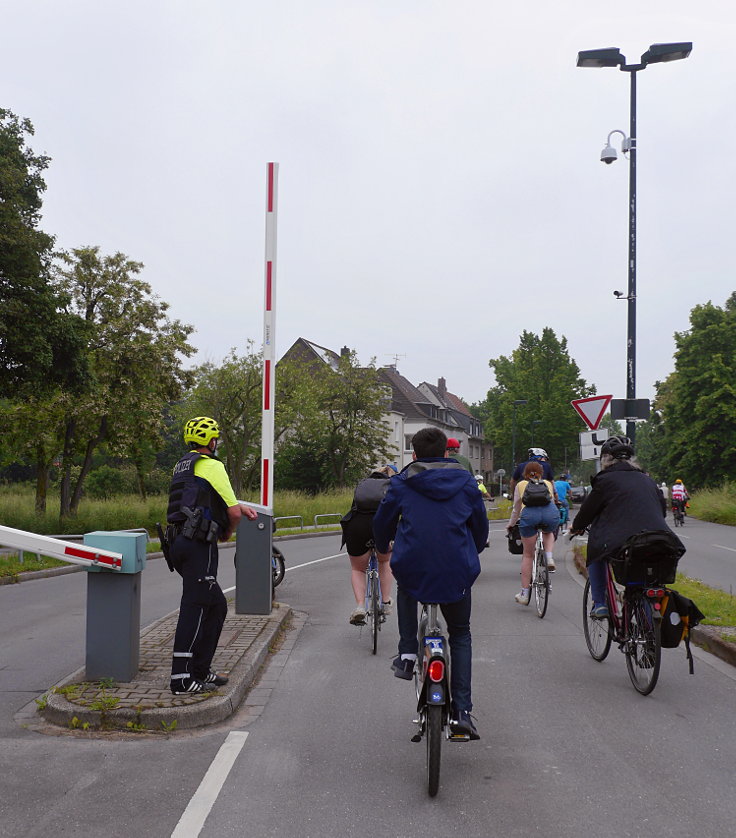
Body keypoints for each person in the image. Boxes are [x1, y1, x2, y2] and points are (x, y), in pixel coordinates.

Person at [373, 427, 488, 740]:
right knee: (460, 633)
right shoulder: (466, 482)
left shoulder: (401, 482)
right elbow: (480, 526)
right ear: (447, 453)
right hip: (456, 569)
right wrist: (472, 550)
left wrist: (383, 546)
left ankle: (408, 653)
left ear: (414, 454)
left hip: (414, 566)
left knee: (407, 583)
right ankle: (462, 711)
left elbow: (382, 522)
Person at [165, 416, 258, 695]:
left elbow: (198, 499)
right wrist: (228, 531)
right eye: (216, 439)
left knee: (216, 605)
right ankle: (181, 679)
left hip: (178, 542)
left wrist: (238, 507)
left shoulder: (182, 465)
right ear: (212, 441)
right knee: (194, 608)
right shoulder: (212, 465)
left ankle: (201, 670)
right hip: (198, 545)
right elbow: (230, 511)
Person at [570, 436, 677, 618]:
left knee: (596, 555)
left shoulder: (604, 480)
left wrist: (576, 528)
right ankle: (650, 626)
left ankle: (600, 603)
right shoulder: (647, 480)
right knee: (643, 573)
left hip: (620, 541)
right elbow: (662, 510)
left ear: (605, 459)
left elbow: (587, 512)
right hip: (659, 537)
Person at [340, 465, 395, 625]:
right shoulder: (393, 485)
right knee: (384, 561)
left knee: (358, 569)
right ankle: (385, 603)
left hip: (358, 526)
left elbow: (354, 508)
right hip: (382, 525)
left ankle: (359, 607)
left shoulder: (363, 484)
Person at [506, 461, 560, 605]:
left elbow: (516, 509)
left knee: (528, 555)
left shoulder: (520, 485)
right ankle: (549, 557)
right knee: (548, 532)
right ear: (541, 472)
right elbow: (553, 502)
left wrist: (511, 524)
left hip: (529, 516)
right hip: (550, 513)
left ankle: (524, 593)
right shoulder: (548, 483)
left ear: (524, 473)